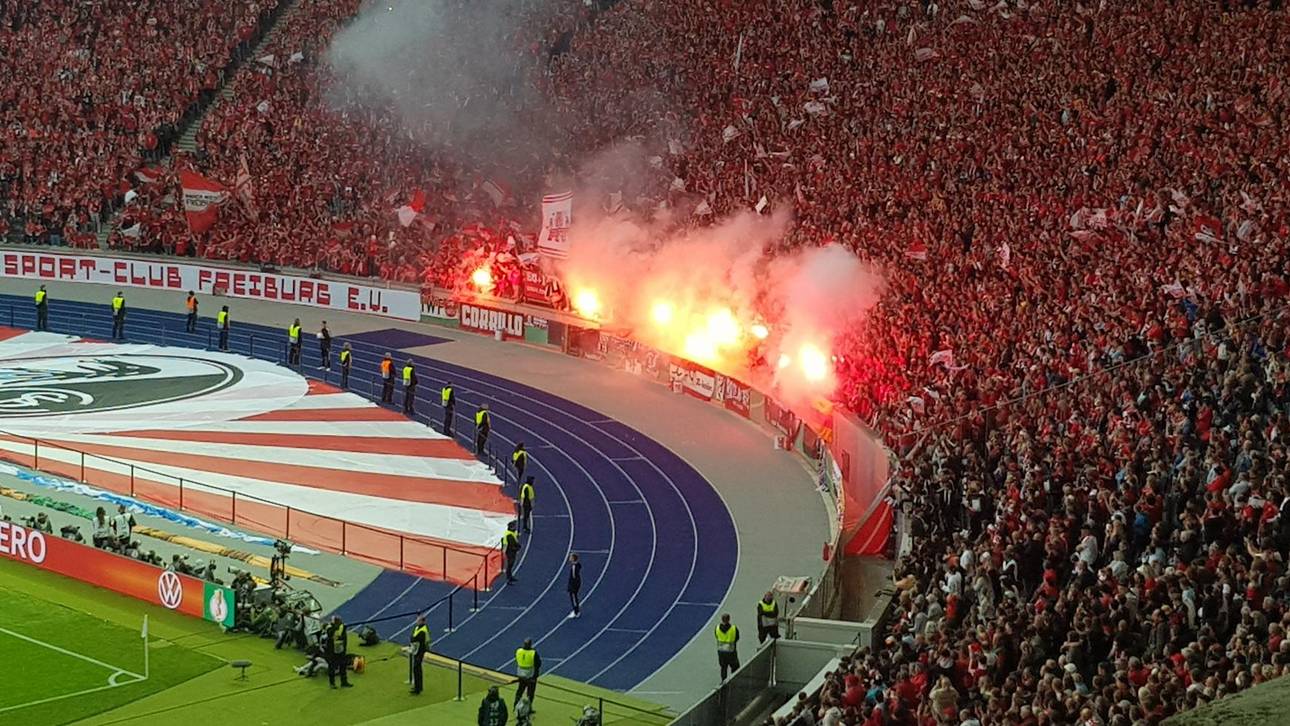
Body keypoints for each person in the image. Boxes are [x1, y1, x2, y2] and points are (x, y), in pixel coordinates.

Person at [324, 615, 352, 688]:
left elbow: (344, 638)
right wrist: (334, 627)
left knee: (343, 666)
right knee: (332, 667)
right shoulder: (329, 628)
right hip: (332, 652)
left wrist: (344, 649)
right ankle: (332, 683)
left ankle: (344, 682)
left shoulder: (342, 627)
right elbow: (330, 634)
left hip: (341, 650)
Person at [514, 638, 540, 708]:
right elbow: (538, 664)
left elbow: (517, 659)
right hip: (530, 675)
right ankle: (528, 708)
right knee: (530, 693)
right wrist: (536, 675)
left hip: (521, 674)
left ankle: (515, 705)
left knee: (520, 690)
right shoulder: (533, 653)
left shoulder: (519, 651)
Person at [408, 614, 430, 694]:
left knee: (417, 669)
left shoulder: (422, 631)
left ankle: (418, 688)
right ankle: (417, 686)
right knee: (416, 669)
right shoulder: (418, 628)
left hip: (420, 651)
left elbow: (415, 638)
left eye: (418, 620)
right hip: (416, 650)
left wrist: (412, 639)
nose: (416, 622)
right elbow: (413, 637)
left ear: (422, 621)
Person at [715, 613, 740, 680]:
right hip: (731, 652)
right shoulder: (734, 628)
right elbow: (737, 638)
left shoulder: (717, 628)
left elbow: (717, 636)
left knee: (723, 668)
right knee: (735, 667)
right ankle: (734, 681)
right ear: (729, 619)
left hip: (721, 652)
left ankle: (724, 683)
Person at [567, 553, 582, 618]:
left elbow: (574, 577)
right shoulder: (577, 565)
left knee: (573, 598)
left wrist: (572, 587)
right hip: (576, 584)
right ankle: (576, 610)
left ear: (573, 559)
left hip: (574, 586)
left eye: (570, 557)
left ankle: (576, 612)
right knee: (575, 598)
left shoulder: (574, 567)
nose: (569, 558)